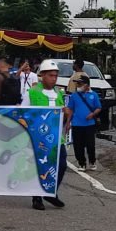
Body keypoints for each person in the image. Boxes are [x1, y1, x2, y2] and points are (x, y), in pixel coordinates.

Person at [22, 59, 71, 211]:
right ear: (42, 75)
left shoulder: (58, 92)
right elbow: (24, 113)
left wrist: (66, 113)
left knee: (61, 165)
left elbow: (61, 111)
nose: (54, 78)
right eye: (51, 75)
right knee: (40, 166)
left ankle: (50, 192)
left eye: (56, 75)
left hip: (56, 136)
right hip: (39, 137)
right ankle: (37, 198)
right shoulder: (31, 92)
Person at [67, 76, 101, 171]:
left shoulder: (93, 95)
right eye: (77, 83)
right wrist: (68, 122)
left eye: (80, 84)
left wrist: (92, 114)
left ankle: (92, 161)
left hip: (89, 124)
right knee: (78, 145)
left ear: (86, 85)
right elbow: (70, 109)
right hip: (76, 124)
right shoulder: (74, 96)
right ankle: (81, 163)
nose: (78, 85)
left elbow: (98, 107)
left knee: (90, 144)